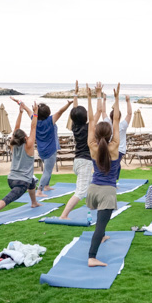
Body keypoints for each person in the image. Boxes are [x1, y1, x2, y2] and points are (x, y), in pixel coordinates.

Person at [86, 82, 123, 268]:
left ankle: (102, 236)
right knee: (100, 226)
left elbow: (91, 121)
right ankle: (92, 257)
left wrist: (93, 97)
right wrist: (116, 99)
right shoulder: (114, 147)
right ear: (109, 135)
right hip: (107, 192)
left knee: (102, 221)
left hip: (92, 190)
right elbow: (115, 120)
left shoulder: (93, 146)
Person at [0, 101, 41, 220]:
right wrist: (35, 113)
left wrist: (20, 113)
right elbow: (33, 126)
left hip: (11, 179)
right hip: (21, 183)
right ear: (25, 138)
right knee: (8, 199)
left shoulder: (13, 144)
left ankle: (34, 202)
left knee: (32, 181)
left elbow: (16, 129)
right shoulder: (29, 145)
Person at [59, 81, 94, 219]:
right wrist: (90, 97)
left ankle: (92, 204)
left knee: (91, 184)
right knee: (80, 192)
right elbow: (92, 115)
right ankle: (64, 215)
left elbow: (74, 110)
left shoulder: (75, 127)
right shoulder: (88, 128)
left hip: (78, 161)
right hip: (84, 163)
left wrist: (75, 94)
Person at [34, 98, 72, 198]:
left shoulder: (35, 120)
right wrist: (68, 104)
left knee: (48, 168)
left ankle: (46, 185)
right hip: (50, 150)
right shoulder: (50, 121)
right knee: (47, 170)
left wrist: (22, 105)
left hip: (41, 149)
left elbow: (28, 111)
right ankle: (39, 190)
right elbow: (60, 111)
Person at [101, 93, 132, 159]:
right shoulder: (122, 126)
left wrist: (104, 100)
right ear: (120, 117)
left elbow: (103, 112)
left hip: (109, 149)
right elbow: (129, 114)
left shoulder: (107, 123)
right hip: (120, 150)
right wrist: (128, 101)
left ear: (110, 116)